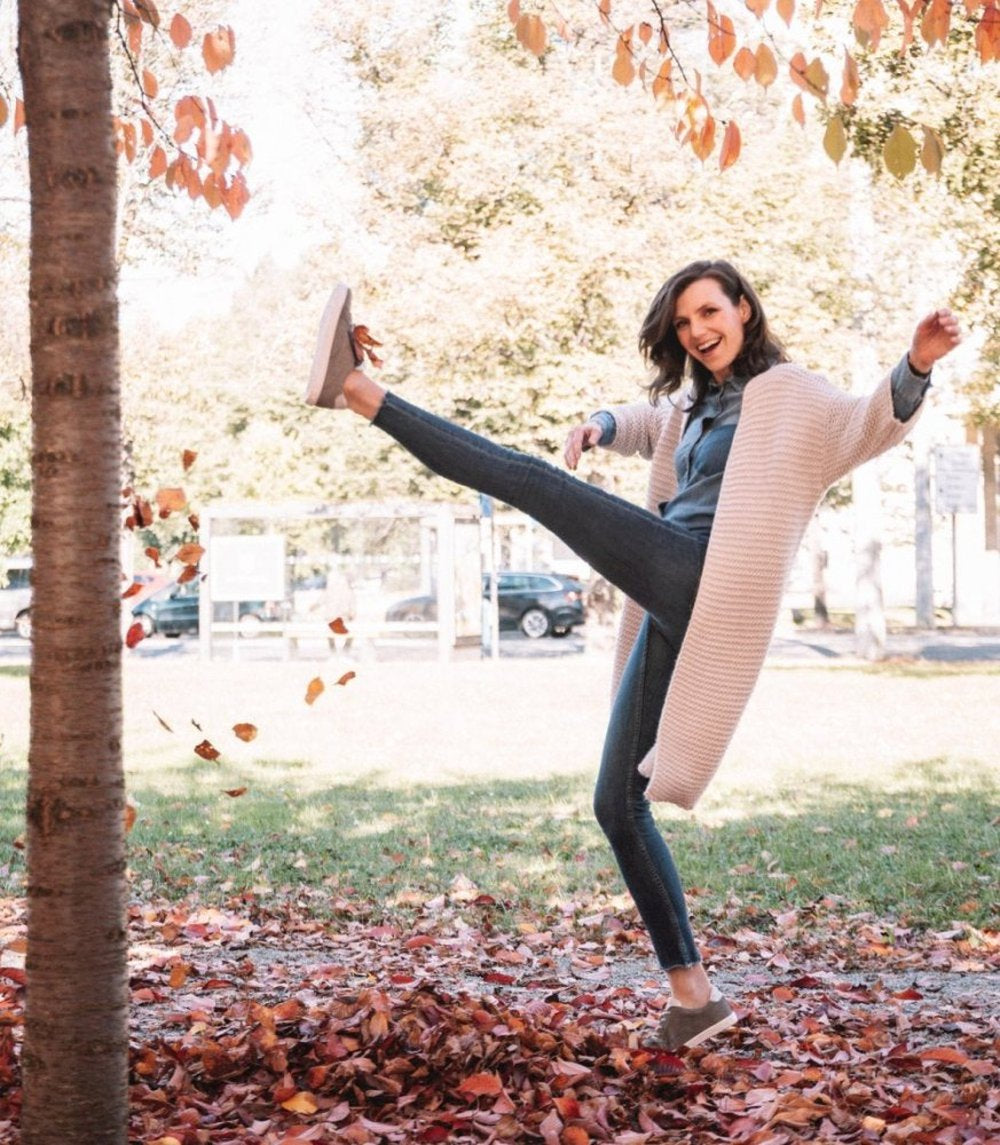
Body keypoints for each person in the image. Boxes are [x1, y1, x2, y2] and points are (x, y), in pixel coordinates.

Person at [304, 265, 961, 1051]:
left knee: (531, 483)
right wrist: (601, 424)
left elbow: (869, 422)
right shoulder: (696, 402)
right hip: (674, 586)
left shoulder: (793, 393)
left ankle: (359, 391)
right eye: (684, 322)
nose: (697, 331)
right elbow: (652, 420)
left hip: (704, 575)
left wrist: (916, 361)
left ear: (744, 309)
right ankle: (696, 1000)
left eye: (709, 312)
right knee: (617, 803)